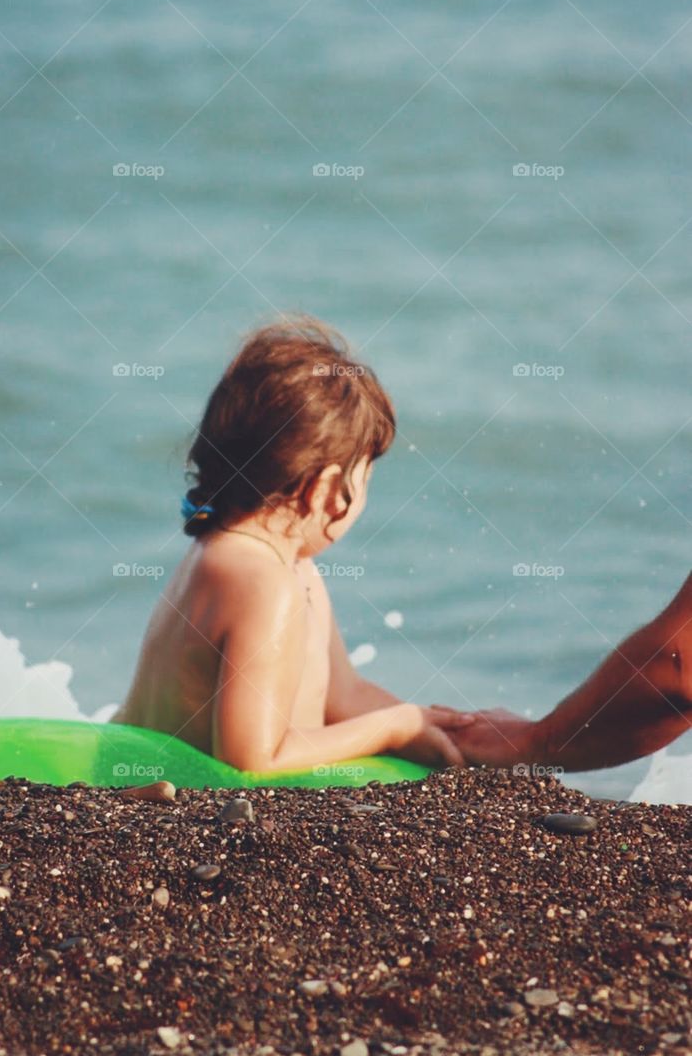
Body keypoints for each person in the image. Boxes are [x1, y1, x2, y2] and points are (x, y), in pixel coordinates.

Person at [111, 317, 691, 777]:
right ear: (329, 491)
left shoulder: (264, 563)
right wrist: (392, 729)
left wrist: (441, 730)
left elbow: (345, 694)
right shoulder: (261, 583)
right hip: (179, 798)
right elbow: (249, 760)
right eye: (367, 474)